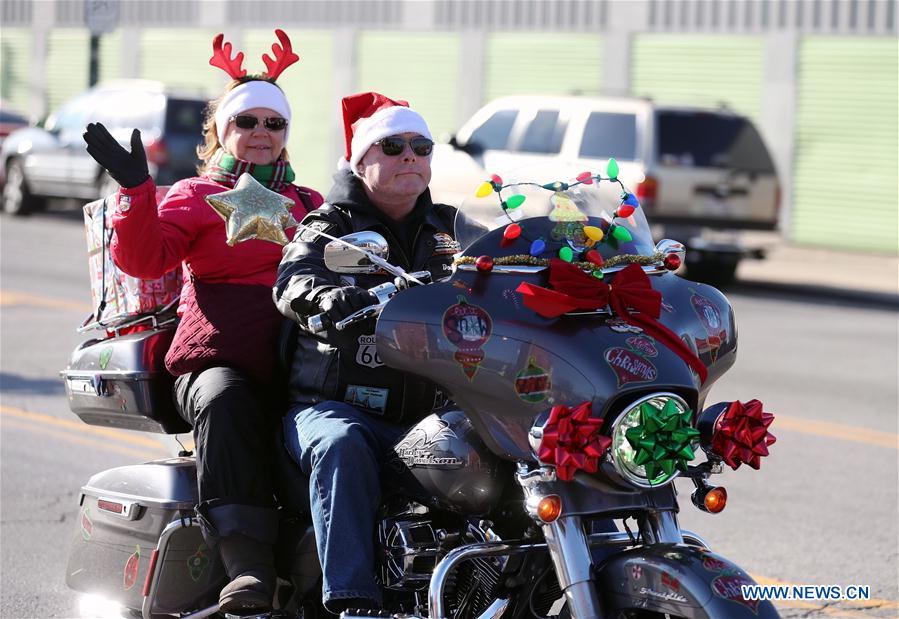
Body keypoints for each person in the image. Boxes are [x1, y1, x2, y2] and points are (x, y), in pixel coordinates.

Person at [82, 31, 323, 615]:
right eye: (248, 122)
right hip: (215, 366)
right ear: (221, 132)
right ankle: (247, 569)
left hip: (301, 369)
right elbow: (143, 259)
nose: (262, 133)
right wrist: (137, 191)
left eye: (274, 123)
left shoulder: (312, 203)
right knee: (227, 399)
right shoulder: (194, 194)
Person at [274, 92, 458, 613]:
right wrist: (332, 299)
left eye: (421, 147)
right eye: (393, 145)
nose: (410, 157)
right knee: (342, 443)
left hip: (429, 415)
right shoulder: (328, 225)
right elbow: (295, 279)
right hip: (332, 408)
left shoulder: (450, 230)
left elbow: (502, 268)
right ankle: (354, 602)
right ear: (360, 160)